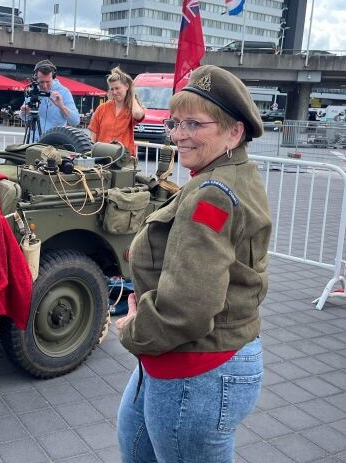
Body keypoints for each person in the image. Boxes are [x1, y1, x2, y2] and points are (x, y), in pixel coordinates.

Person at [115, 65, 272, 463]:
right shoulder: (224, 174)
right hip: (183, 363)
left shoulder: (213, 194)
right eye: (175, 122)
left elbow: (188, 307)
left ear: (234, 132)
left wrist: (133, 329)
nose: (179, 134)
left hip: (196, 371)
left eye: (194, 124)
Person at [88, 67, 145, 156]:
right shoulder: (102, 108)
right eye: (112, 89)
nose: (114, 92)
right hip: (102, 157)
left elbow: (138, 114)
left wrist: (132, 95)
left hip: (123, 159)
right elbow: (93, 135)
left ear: (127, 87)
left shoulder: (132, 109)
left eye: (117, 88)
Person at [19, 60, 80, 142]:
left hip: (54, 144)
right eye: (41, 82)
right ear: (35, 78)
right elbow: (25, 118)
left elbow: (75, 121)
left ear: (53, 77)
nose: (44, 86)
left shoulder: (64, 92)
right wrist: (24, 112)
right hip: (33, 143)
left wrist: (61, 106)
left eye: (48, 82)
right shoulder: (33, 91)